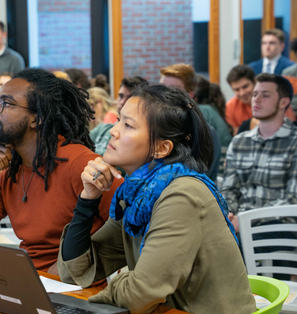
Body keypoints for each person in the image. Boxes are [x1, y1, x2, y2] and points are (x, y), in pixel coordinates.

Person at [58, 84, 255, 314]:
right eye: (119, 120)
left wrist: (112, 288)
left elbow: (141, 293)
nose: (114, 130)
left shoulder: (181, 195)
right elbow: (76, 269)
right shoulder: (138, 195)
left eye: (128, 125)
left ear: (161, 148)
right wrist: (87, 198)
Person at [0, 68, 124, 274]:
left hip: (74, 291)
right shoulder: (10, 175)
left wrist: (66, 270)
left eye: (6, 103)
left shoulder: (82, 164)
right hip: (29, 282)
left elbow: (129, 230)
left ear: (37, 118)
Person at [223, 74, 297, 233]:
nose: (257, 99)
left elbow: (294, 200)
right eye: (255, 94)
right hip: (239, 224)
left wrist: (246, 219)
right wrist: (229, 214)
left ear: (284, 102)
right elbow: (229, 190)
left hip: (281, 227)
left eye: (265, 95)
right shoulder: (239, 141)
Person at [160, 64, 231, 147]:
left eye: (173, 89)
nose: (164, 93)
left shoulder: (195, 122)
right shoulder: (158, 119)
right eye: (161, 87)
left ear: (189, 95)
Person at [91, 76, 148, 156]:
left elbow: (120, 159)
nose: (122, 102)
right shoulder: (101, 128)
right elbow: (81, 150)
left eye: (129, 98)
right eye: (121, 96)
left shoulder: (132, 136)